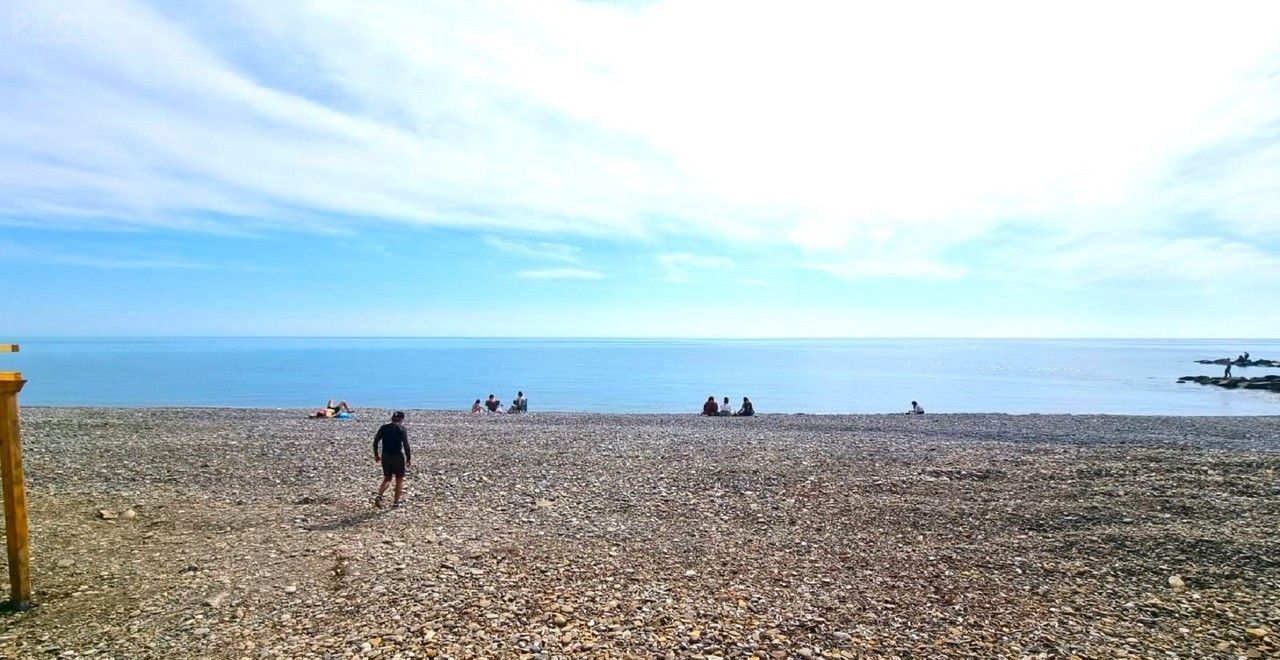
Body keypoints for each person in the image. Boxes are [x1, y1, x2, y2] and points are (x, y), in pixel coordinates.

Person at [373, 411, 411, 508]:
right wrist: (408, 458)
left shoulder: (384, 427)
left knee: (387, 478)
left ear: (392, 418)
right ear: (401, 419)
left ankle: (379, 496)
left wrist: (376, 454)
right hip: (397, 456)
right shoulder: (402, 429)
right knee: (399, 479)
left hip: (385, 455)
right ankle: (395, 503)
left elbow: (376, 441)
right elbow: (406, 445)